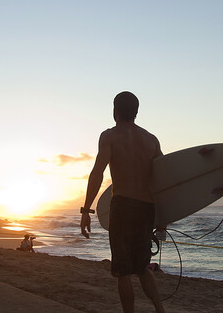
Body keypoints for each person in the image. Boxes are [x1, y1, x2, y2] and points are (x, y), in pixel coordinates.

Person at [81, 91, 166, 313]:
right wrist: (164, 219)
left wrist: (86, 210)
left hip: (122, 206)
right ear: (136, 112)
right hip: (147, 208)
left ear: (115, 111)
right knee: (142, 268)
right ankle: (160, 309)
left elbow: (97, 173)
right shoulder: (151, 140)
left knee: (122, 271)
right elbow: (163, 181)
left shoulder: (109, 136)